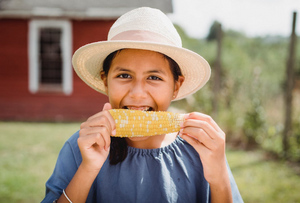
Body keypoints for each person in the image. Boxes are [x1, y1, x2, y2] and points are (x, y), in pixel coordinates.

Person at [42, 7, 243, 203]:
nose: (137, 94)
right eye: (124, 75)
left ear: (176, 86)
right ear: (105, 81)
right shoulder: (82, 147)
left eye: (154, 77)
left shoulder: (203, 149)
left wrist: (219, 179)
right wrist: (88, 169)